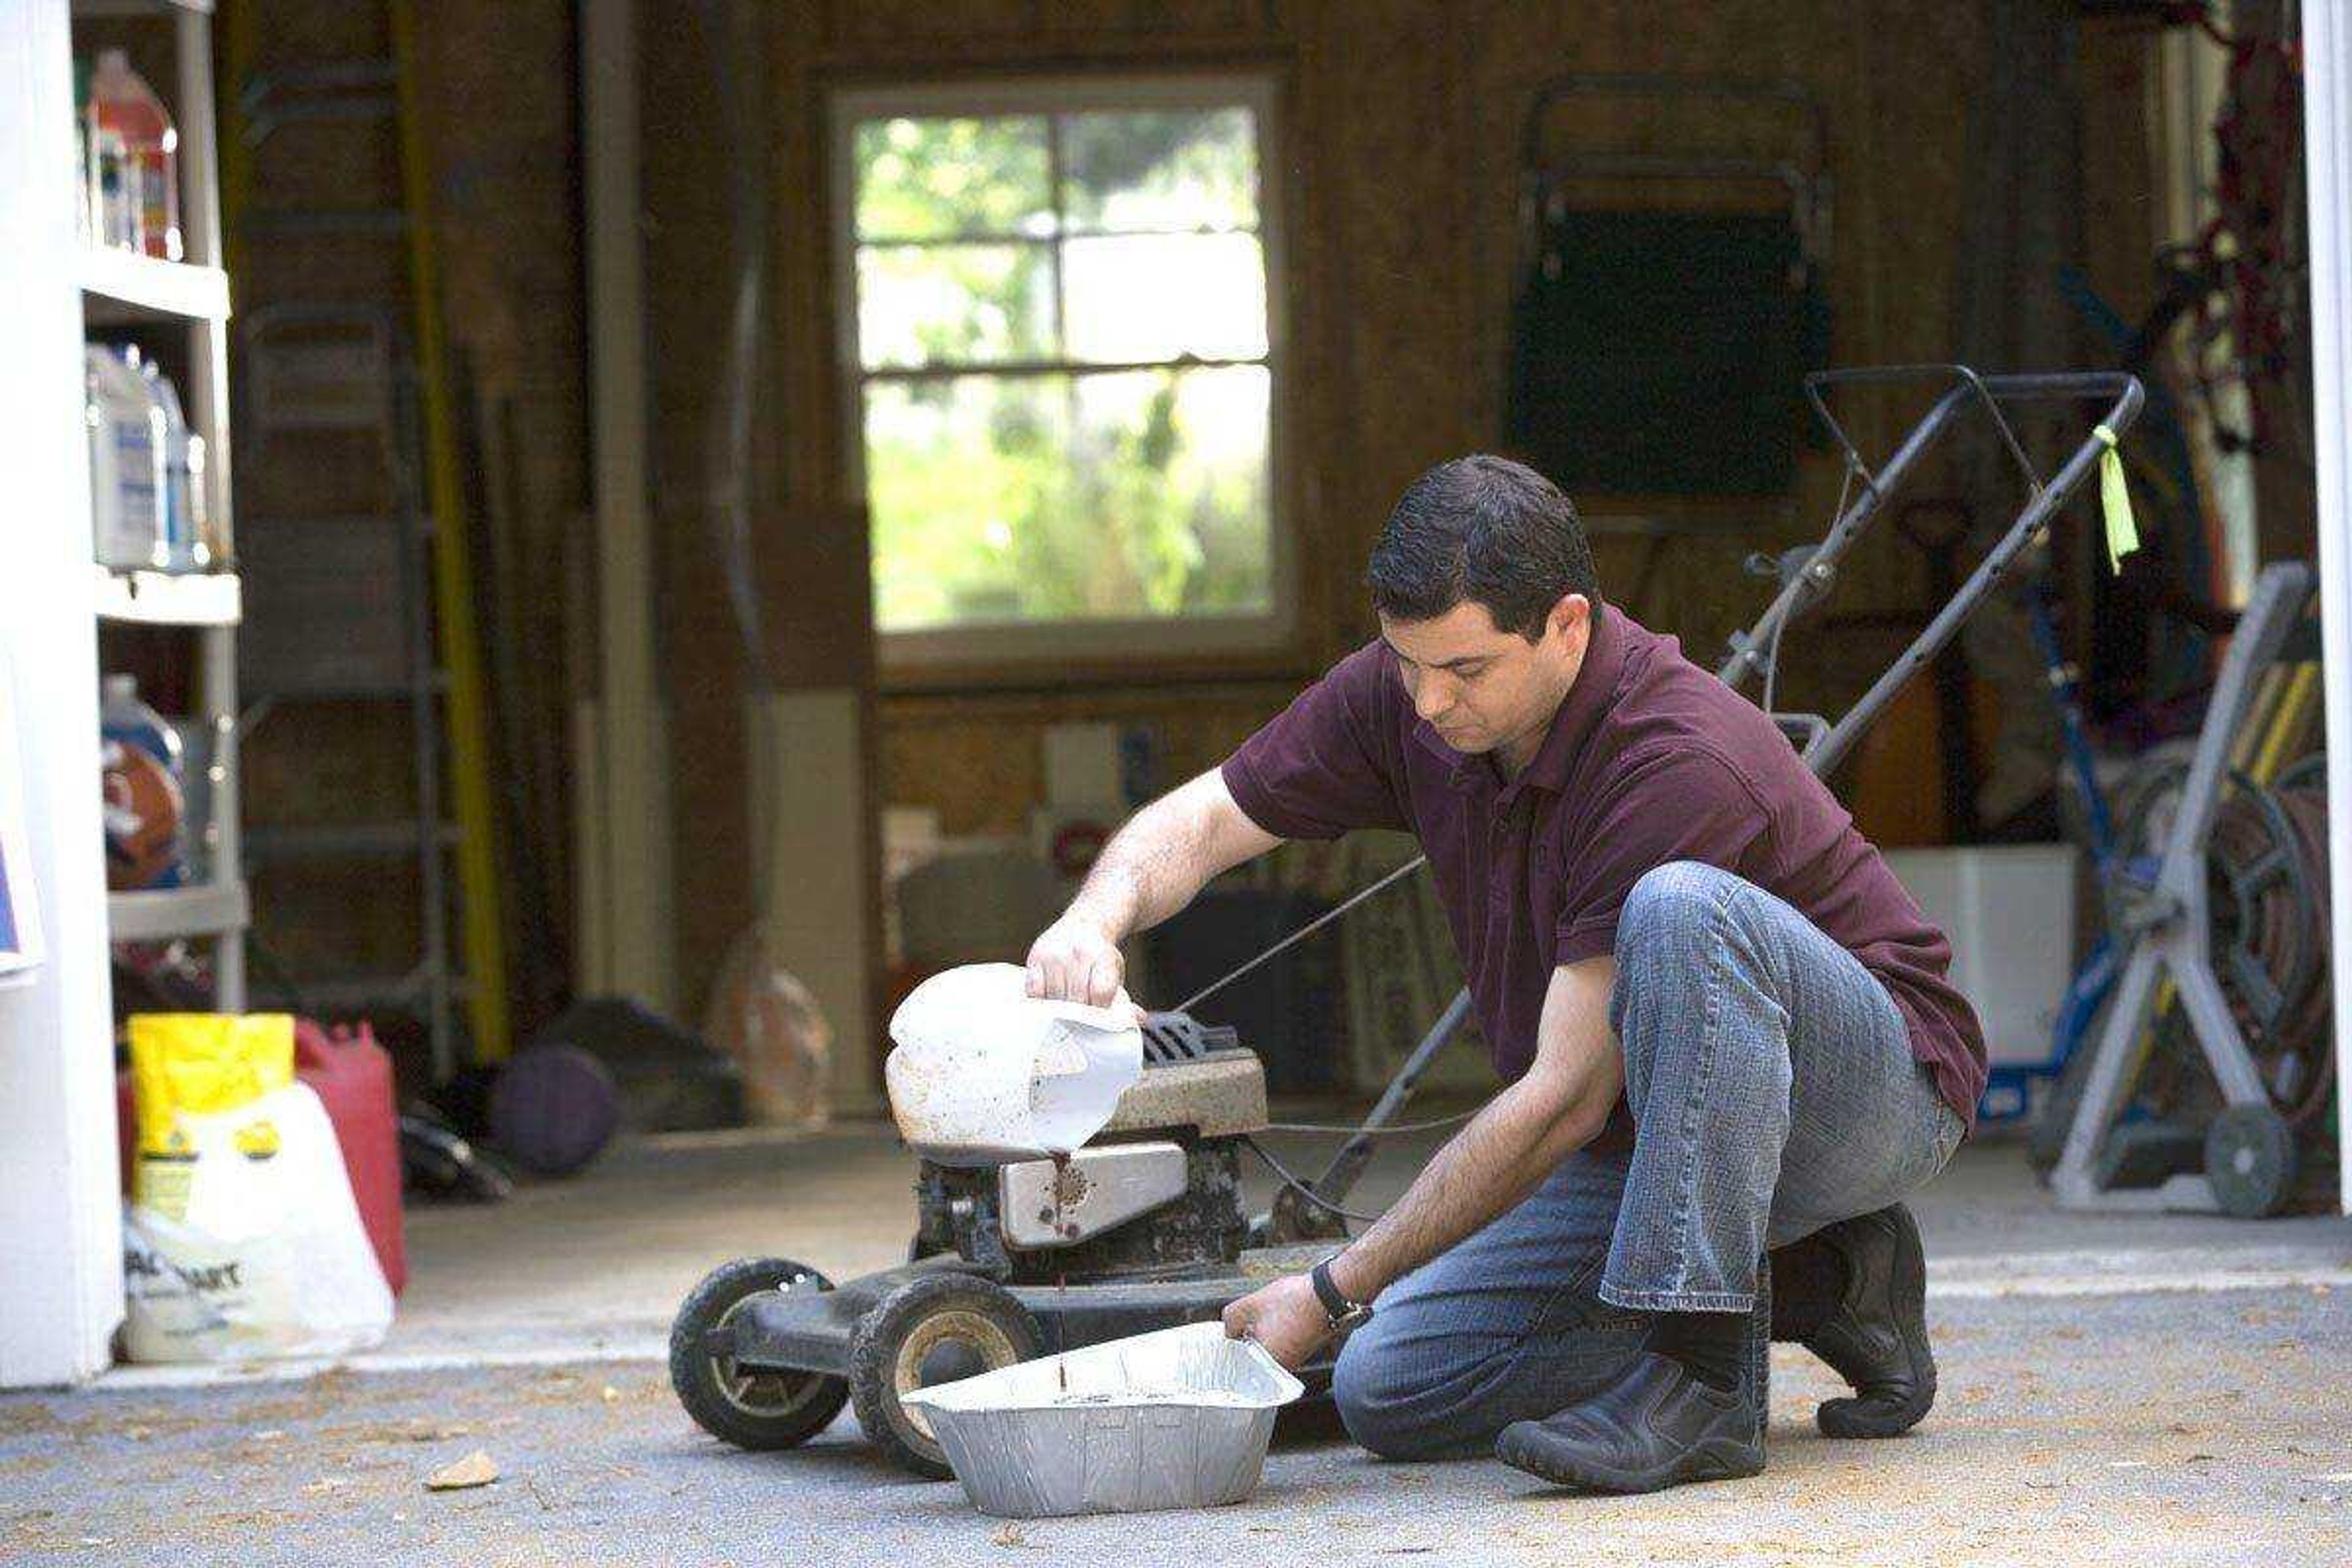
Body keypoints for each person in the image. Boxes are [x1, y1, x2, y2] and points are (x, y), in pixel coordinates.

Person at [1023, 454, 1979, 1494]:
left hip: (1872, 1096)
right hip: (1657, 1127)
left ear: (1568, 624)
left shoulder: (1673, 757)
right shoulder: (1414, 688)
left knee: (1680, 906)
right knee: (1395, 1387)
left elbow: (1564, 1098)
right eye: (1405, 662)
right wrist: (1093, 918)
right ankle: (1829, 1276)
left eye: (1465, 671)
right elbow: (1207, 819)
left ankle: (1704, 1385)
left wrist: (1332, 1287)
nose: (1427, 703)